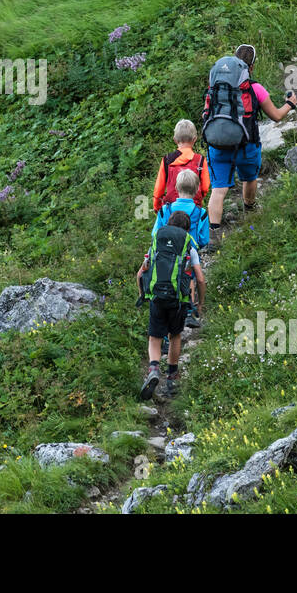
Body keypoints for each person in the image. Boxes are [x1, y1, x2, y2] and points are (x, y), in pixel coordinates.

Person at [201, 44, 297, 248]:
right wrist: (290, 104)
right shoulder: (255, 88)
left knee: (218, 189)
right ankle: (250, 210)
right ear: (251, 67)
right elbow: (276, 116)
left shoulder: (216, 86)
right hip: (246, 144)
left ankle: (214, 235)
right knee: (249, 178)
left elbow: (207, 112)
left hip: (217, 144)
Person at [135, 210, 205, 400]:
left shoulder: (157, 243)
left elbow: (140, 274)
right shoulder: (189, 246)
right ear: (187, 229)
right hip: (178, 300)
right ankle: (172, 378)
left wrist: (143, 295)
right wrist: (199, 303)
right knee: (175, 335)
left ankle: (154, 368)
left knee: (155, 337)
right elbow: (200, 279)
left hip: (157, 298)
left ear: (168, 224)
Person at [151, 168, 209, 325]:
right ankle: (189, 310)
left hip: (165, 255)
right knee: (188, 276)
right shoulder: (201, 213)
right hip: (189, 253)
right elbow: (204, 239)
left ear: (176, 188)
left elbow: (155, 234)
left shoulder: (165, 210)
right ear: (197, 189)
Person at [151, 119, 210, 214]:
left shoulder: (167, 160)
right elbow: (205, 187)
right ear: (195, 139)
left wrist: (157, 207)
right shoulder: (200, 161)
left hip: (171, 209)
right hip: (193, 208)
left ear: (175, 140)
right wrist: (198, 198)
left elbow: (159, 189)